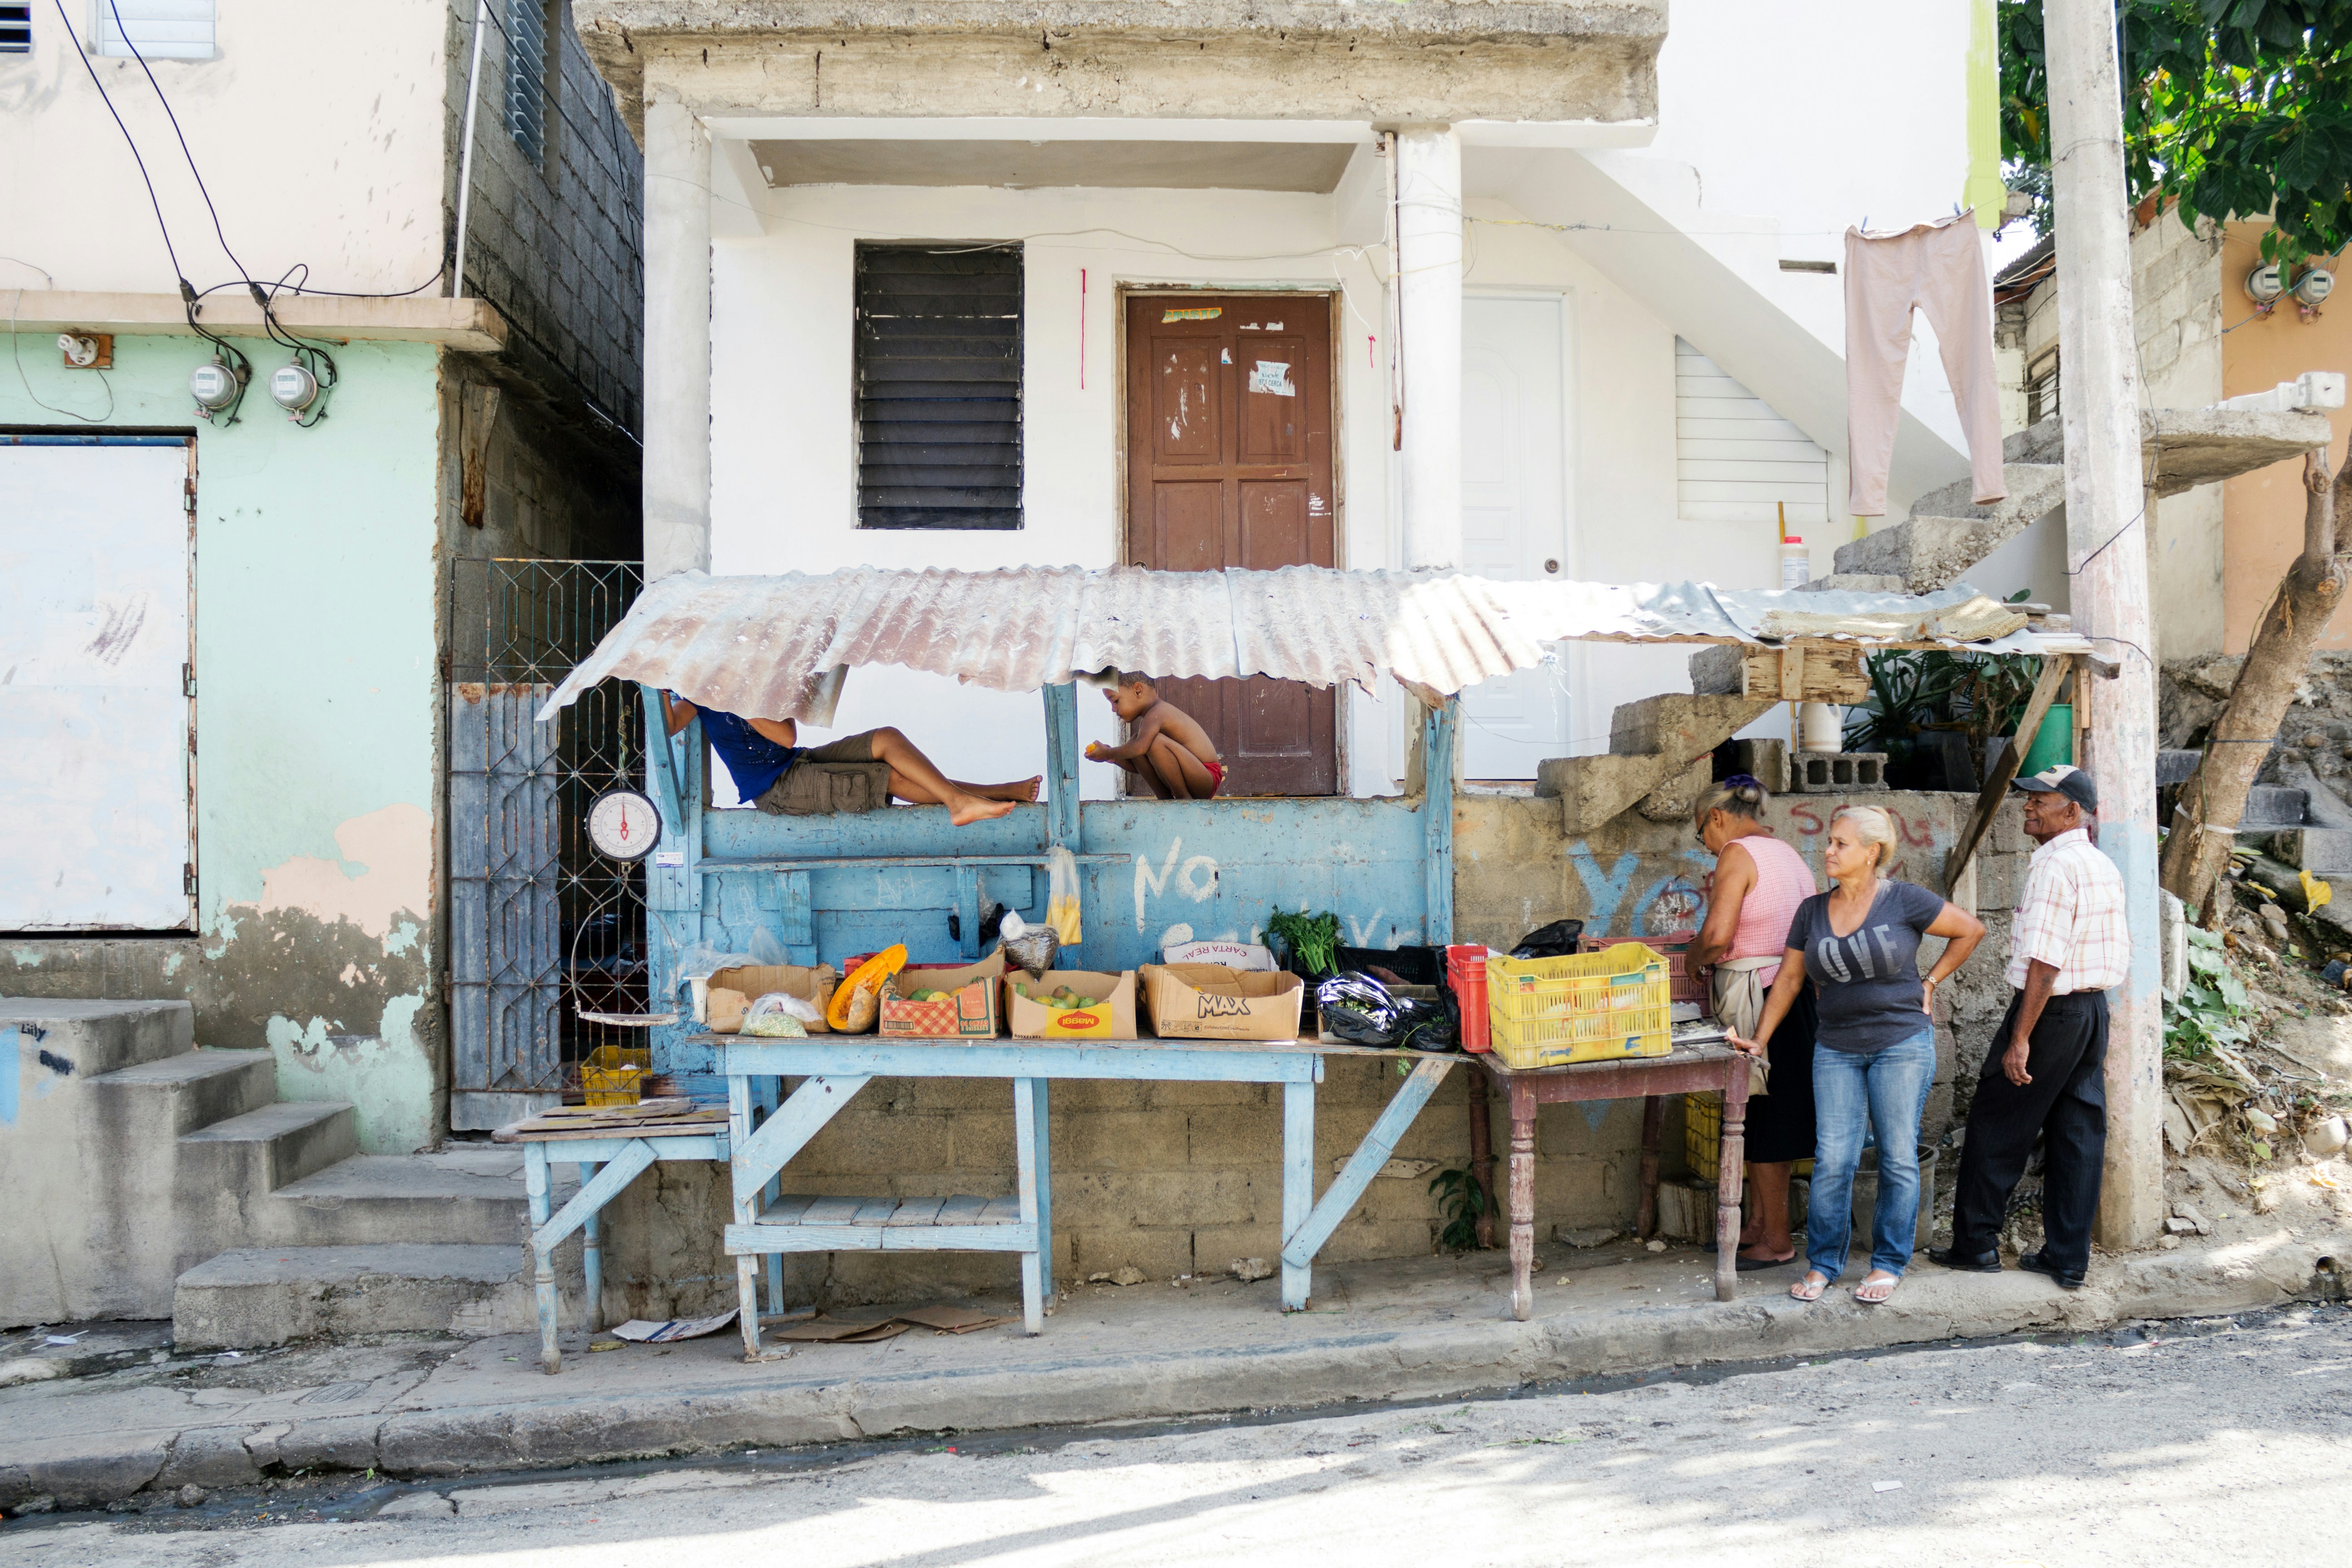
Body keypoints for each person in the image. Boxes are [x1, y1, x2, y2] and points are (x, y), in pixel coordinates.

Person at [1729, 804, 1984, 1306]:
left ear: (1872, 853)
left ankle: (1888, 1264)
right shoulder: (1812, 911)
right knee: (1832, 1161)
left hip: (1901, 1045)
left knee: (1896, 1157)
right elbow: (1789, 979)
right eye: (1829, 841)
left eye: (1840, 844)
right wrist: (1760, 1039)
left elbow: (1970, 930)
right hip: (1836, 1049)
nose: (1828, 851)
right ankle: (1825, 1263)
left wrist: (1931, 982)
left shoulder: (1904, 900)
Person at [1931, 764, 2128, 1291]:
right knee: (2078, 1133)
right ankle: (2067, 1258)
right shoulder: (2099, 864)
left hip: (2051, 1011)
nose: (2029, 806)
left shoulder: (2053, 866)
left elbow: (2044, 962)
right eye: (2029, 798)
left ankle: (1975, 1245)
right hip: (2090, 1013)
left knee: (1998, 1122)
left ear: (2073, 811)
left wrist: (2021, 1038)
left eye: (2041, 799)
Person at [1687, 775, 1820, 1271]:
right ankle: (1759, 1228)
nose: (1705, 846)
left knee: (1761, 1116)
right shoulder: (1787, 851)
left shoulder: (1737, 854)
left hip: (1760, 995)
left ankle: (1777, 1241)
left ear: (1717, 817)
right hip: (1793, 993)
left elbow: (1719, 934)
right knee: (1770, 1112)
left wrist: (1693, 960)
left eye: (1702, 833)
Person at [659, 692, 1039, 828]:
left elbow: (786, 735)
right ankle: (979, 798)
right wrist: (659, 684)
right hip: (778, 790)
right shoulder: (698, 696)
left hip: (797, 761)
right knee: (884, 777)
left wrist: (733, 698)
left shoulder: (755, 683)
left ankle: (983, 796)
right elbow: (670, 724)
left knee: (886, 740)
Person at [1086, 672, 1225, 799]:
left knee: (1151, 743)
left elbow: (1139, 748)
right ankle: (1165, 799)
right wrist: (1112, 757)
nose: (1113, 709)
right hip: (1195, 777)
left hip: (1207, 776)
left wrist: (1107, 752)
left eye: (1116, 701)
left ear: (1138, 691)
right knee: (1135, 742)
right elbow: (1139, 765)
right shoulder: (1148, 722)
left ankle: (1183, 800)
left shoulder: (1158, 712)